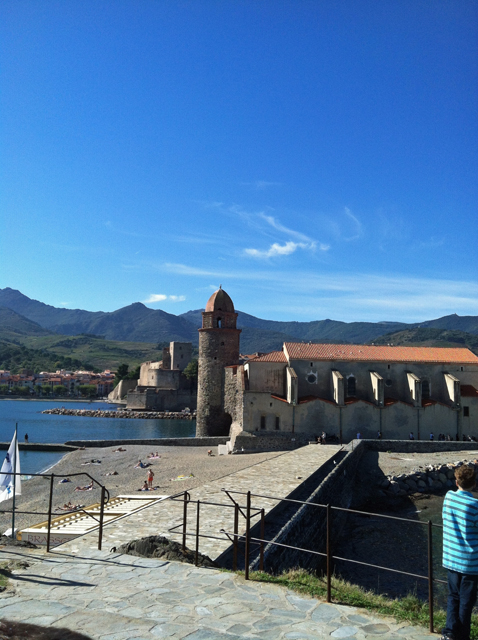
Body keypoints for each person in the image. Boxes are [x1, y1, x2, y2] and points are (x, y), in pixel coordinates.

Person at [441, 465, 478, 640]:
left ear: (456, 482)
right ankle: (463, 636)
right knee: (466, 602)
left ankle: (449, 633)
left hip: (451, 559)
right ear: (474, 484)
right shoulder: (475, 505)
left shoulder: (448, 498)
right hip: (470, 563)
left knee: (453, 596)